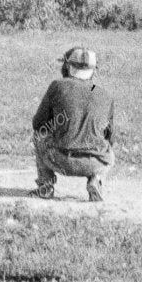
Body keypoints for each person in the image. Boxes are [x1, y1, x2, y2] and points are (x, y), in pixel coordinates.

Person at [33, 46, 115, 201]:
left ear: (68, 67)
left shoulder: (57, 86)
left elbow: (38, 124)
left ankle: (46, 186)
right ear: (94, 70)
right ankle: (96, 180)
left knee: (39, 135)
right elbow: (110, 137)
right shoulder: (106, 94)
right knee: (108, 148)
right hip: (97, 162)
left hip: (60, 160)